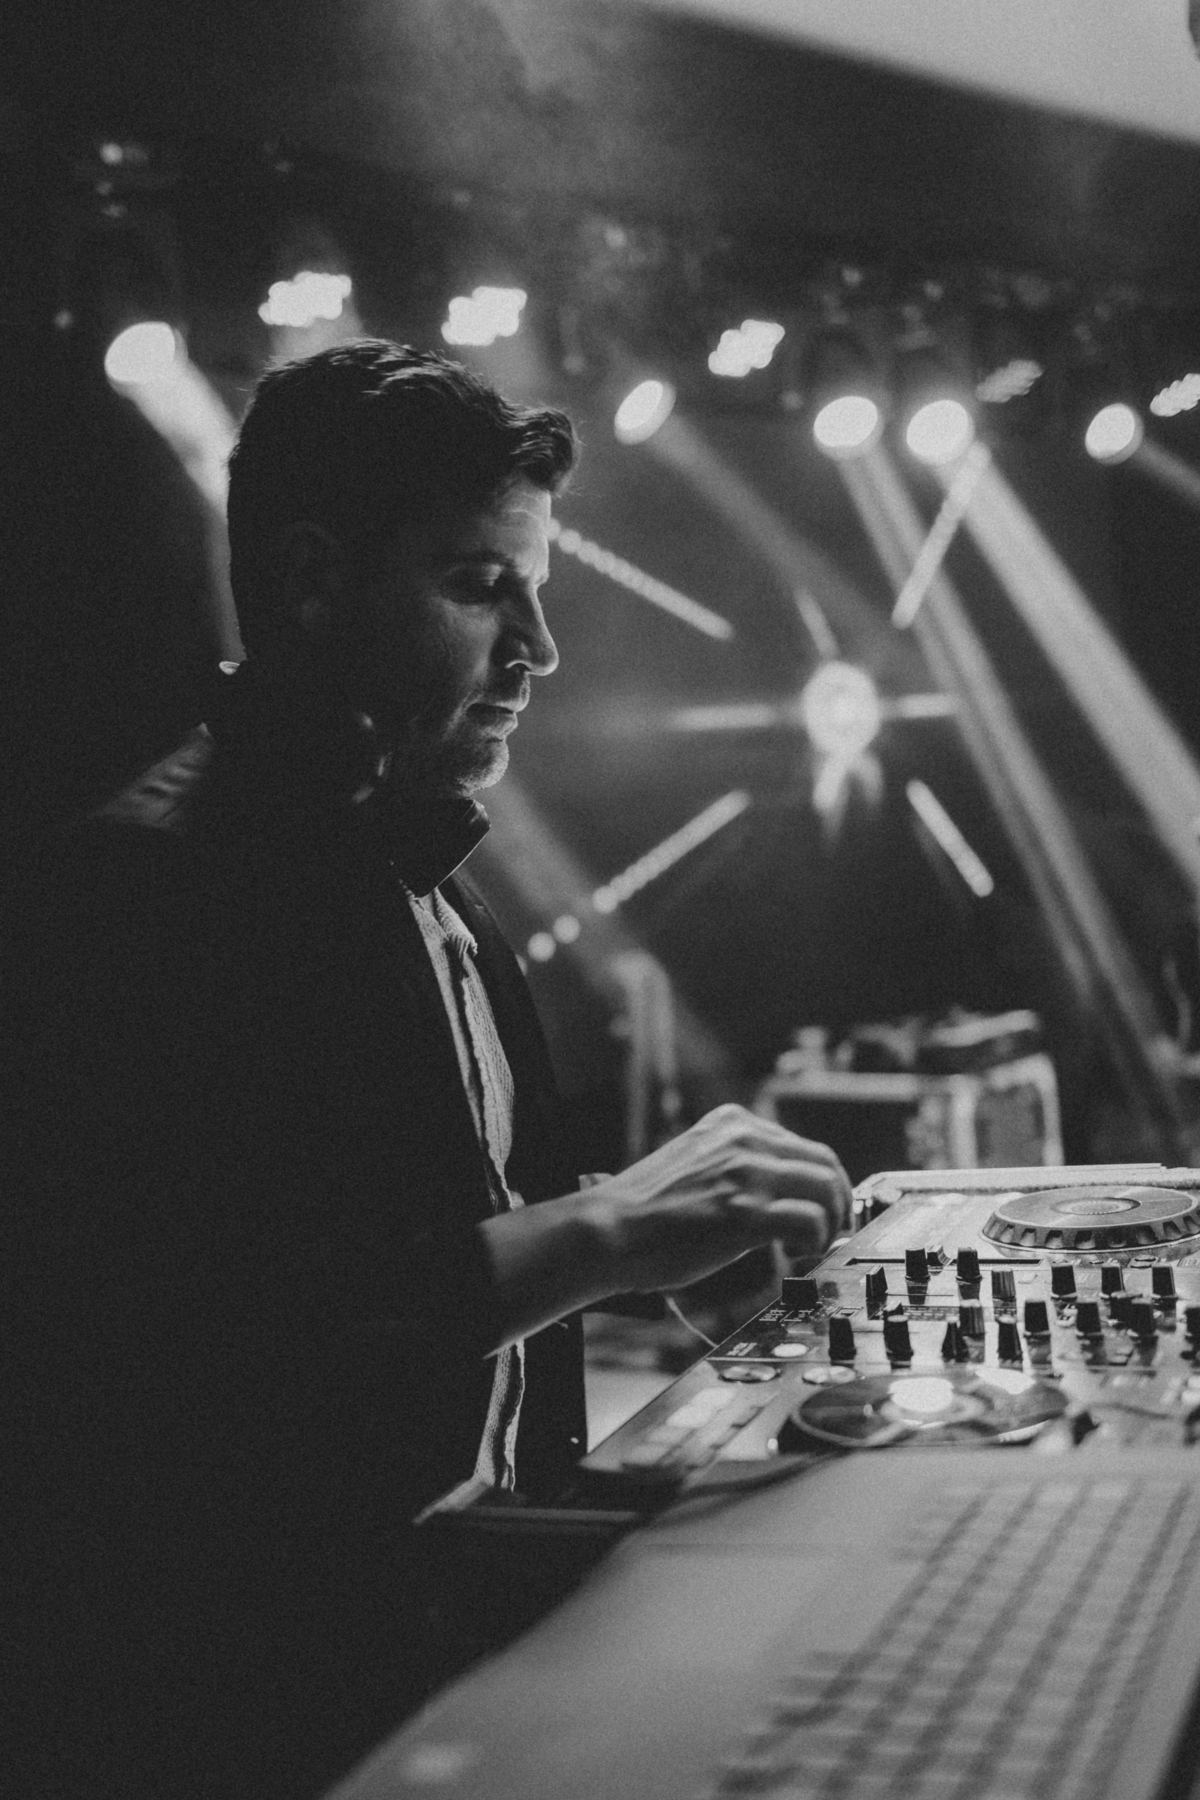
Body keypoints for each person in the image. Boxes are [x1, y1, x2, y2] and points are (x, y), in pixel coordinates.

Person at [4, 341, 851, 1799]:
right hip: (270, 1723)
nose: (540, 647)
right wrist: (603, 1231)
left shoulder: (426, 884)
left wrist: (658, 1244)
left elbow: (401, 1223)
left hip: (443, 1651)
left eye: (539, 589)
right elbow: (198, 1360)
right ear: (314, 581)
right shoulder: (144, 893)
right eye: (479, 586)